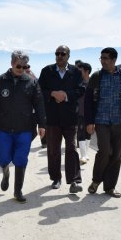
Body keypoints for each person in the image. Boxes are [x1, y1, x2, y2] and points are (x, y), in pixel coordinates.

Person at [0, 50, 46, 203]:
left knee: (20, 158)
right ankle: (5, 173)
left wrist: (42, 124)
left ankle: (17, 190)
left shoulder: (31, 82)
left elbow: (39, 104)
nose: (21, 69)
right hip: (5, 128)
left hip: (25, 128)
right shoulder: (0, 81)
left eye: (24, 67)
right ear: (12, 64)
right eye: (19, 66)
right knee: (3, 157)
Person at [84, 47, 121, 198]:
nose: (102, 61)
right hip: (101, 121)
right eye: (101, 58)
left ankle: (110, 187)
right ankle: (96, 180)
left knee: (116, 155)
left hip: (118, 121)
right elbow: (88, 101)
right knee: (104, 152)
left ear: (114, 60)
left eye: (105, 58)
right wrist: (89, 121)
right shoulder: (96, 77)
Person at [38, 45, 85, 194]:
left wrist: (65, 95)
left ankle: (74, 181)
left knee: (71, 148)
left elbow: (81, 89)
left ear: (68, 56)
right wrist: (52, 94)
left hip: (70, 118)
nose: (59, 56)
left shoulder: (76, 72)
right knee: (53, 150)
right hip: (52, 118)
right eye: (57, 53)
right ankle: (56, 178)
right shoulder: (47, 71)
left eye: (62, 53)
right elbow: (39, 91)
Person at [77, 61, 92, 164]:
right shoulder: (78, 83)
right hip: (80, 113)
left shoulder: (93, 83)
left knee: (88, 133)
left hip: (91, 114)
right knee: (81, 133)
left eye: (80, 71)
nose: (79, 72)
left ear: (87, 71)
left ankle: (86, 154)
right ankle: (83, 155)